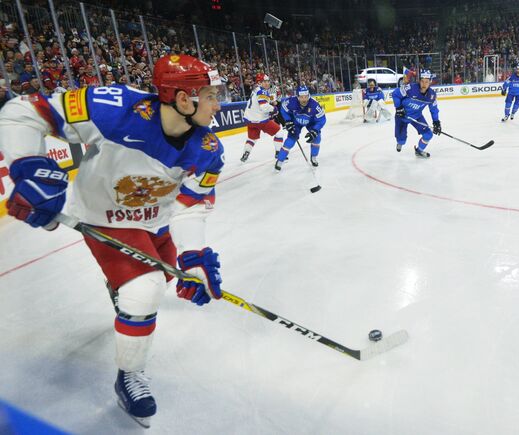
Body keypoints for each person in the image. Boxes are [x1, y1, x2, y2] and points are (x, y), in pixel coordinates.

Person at [0, 54, 226, 428]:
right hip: (104, 217)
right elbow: (23, 112)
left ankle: (119, 286)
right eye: (211, 94)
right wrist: (27, 165)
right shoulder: (112, 108)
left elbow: (192, 203)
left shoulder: (208, 150)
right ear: (184, 99)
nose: (219, 104)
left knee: (162, 278)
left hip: (156, 221)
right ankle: (130, 375)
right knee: (146, 288)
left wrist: (194, 254)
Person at [391, 69, 440, 158]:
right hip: (402, 116)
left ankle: (419, 151)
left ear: (430, 82)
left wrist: (436, 121)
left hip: (417, 116)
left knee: (428, 135)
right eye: (422, 81)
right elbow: (395, 94)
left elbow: (434, 109)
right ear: (419, 81)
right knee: (402, 141)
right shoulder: (410, 88)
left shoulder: (432, 95)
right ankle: (400, 141)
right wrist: (399, 108)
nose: (424, 84)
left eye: (426, 82)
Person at [275, 85, 326, 170]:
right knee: (290, 140)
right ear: (297, 96)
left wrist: (315, 130)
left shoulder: (314, 105)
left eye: (306, 97)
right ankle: (280, 160)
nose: (304, 99)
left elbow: (322, 120)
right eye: (301, 97)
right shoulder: (291, 101)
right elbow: (283, 110)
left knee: (317, 138)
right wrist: (288, 121)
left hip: (311, 122)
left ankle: (313, 157)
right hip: (296, 122)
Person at [240, 73, 284, 162]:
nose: (267, 83)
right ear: (259, 83)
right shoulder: (262, 91)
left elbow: (261, 100)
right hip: (260, 120)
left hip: (249, 120)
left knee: (252, 138)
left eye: (268, 81)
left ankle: (246, 153)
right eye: (264, 81)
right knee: (279, 132)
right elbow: (264, 107)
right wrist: (274, 109)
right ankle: (278, 153)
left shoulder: (255, 90)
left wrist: (271, 101)